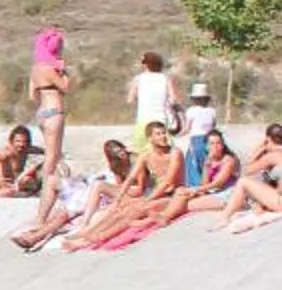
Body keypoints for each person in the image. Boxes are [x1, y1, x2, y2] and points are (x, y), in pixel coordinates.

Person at [62, 121, 184, 252]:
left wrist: (147, 200)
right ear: (150, 138)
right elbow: (130, 178)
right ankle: (86, 234)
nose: (163, 136)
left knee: (131, 213)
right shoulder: (146, 155)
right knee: (117, 211)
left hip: (171, 195)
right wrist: (118, 200)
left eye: (164, 133)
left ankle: (85, 242)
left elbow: (167, 182)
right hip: (154, 194)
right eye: (158, 134)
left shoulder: (174, 153)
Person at [15, 139, 134, 251]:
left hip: (99, 194)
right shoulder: (114, 167)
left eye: (121, 151)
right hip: (87, 187)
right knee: (52, 180)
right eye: (116, 153)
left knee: (63, 215)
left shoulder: (131, 165)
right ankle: (39, 223)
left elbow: (123, 187)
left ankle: (36, 237)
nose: (121, 154)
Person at [205, 124, 282, 234]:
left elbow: (246, 171)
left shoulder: (274, 155)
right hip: (279, 197)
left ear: (268, 139)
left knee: (243, 182)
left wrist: (258, 151)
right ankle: (259, 206)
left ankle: (224, 217)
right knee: (264, 180)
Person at [28, 28, 72, 190]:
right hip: (55, 110)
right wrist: (65, 72)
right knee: (53, 155)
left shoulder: (36, 70)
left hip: (42, 112)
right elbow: (66, 88)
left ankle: (50, 183)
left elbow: (32, 96)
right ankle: (47, 187)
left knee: (50, 152)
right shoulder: (51, 69)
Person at [128, 51, 182, 138]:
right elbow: (174, 99)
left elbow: (130, 100)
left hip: (143, 120)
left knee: (142, 149)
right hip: (162, 120)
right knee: (163, 148)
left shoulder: (138, 79)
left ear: (146, 65)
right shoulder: (166, 79)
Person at [182, 81, 219, 186]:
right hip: (210, 139)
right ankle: (209, 183)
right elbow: (213, 126)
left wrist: (178, 134)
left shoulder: (191, 111)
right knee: (208, 162)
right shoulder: (212, 111)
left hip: (196, 140)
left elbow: (187, 128)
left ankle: (196, 186)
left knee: (193, 164)